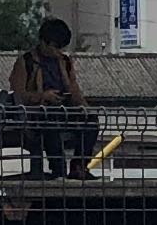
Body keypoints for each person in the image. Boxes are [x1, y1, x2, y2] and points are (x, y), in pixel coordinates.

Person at [6, 17, 96, 179]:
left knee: (90, 121)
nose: (58, 52)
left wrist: (83, 107)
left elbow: (74, 88)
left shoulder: (65, 62)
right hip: (36, 113)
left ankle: (79, 167)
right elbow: (17, 95)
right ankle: (58, 169)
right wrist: (42, 96)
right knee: (50, 122)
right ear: (44, 43)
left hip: (62, 108)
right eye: (56, 47)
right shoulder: (26, 62)